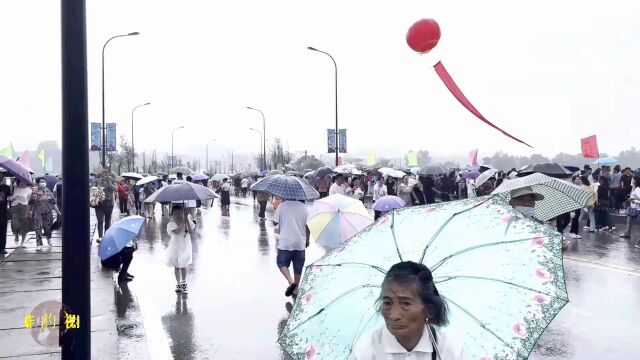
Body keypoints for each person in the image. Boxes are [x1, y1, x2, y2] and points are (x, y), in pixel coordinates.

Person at [351, 261, 466, 360]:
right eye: (387, 303)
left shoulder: (449, 349)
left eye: (405, 303)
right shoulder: (366, 351)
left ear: (429, 310)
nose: (393, 315)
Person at [272, 199, 310, 297]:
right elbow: (308, 225)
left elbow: (274, 223)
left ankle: (290, 280)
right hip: (299, 242)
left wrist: (277, 212)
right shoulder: (304, 208)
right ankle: (296, 289)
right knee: (298, 266)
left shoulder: (282, 206)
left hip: (285, 242)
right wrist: (307, 239)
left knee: (281, 262)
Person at [167, 205, 193, 293]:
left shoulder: (188, 221)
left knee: (183, 265)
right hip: (175, 247)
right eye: (175, 214)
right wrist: (184, 221)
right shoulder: (170, 224)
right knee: (177, 266)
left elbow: (191, 231)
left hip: (185, 246)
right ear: (172, 215)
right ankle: (178, 284)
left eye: (180, 213)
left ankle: (184, 282)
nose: (178, 215)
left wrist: (187, 220)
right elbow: (177, 231)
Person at [30, 177, 62, 251]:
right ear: (37, 183)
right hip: (37, 213)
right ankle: (39, 244)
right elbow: (30, 203)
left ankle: (49, 238)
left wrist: (58, 211)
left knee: (48, 228)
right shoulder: (34, 192)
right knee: (38, 228)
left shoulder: (48, 191)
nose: (43, 183)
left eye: (44, 181)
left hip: (48, 213)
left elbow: (53, 202)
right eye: (41, 181)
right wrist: (29, 211)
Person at [8, 179, 33, 248]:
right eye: (22, 181)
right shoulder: (14, 188)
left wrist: (29, 210)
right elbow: (9, 198)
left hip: (24, 208)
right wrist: (14, 197)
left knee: (24, 225)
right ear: (19, 181)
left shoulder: (29, 190)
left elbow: (29, 201)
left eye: (24, 181)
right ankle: (16, 235)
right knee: (14, 224)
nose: (23, 183)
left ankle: (22, 241)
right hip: (15, 207)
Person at [95, 168, 116, 242]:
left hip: (109, 204)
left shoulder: (112, 180)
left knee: (107, 220)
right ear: (101, 173)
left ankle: (106, 236)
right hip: (99, 204)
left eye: (106, 172)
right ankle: (100, 237)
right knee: (100, 220)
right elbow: (93, 189)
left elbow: (116, 189)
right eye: (103, 172)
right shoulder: (97, 181)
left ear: (109, 173)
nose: (104, 174)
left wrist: (109, 183)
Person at [620, 175, 640, 244]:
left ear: (636, 180)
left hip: (636, 208)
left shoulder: (637, 189)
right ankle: (627, 234)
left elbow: (639, 198)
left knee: (629, 221)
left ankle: (627, 234)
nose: (632, 180)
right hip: (633, 207)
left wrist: (633, 200)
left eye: (633, 179)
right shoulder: (634, 188)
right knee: (629, 220)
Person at [0, 173, 11, 255]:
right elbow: (9, 199)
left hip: (3, 212)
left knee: (3, 230)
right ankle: (2, 248)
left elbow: (9, 198)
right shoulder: (6, 187)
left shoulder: (6, 187)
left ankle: (2, 248)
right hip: (3, 212)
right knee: (3, 230)